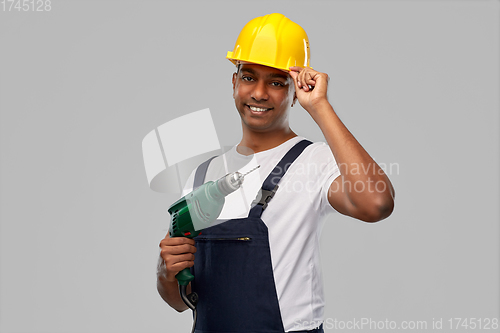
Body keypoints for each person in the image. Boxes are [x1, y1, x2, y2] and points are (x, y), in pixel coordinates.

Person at [157, 13, 395, 333]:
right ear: (233, 82)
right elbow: (178, 300)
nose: (259, 93)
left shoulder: (314, 160)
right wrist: (166, 273)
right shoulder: (202, 175)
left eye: (276, 82)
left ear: (295, 91)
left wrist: (320, 107)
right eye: (248, 77)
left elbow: (377, 203)